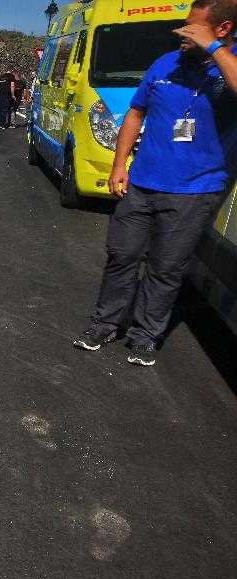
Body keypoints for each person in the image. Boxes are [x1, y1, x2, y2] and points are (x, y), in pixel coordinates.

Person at [72, 0, 236, 366]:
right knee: (121, 255)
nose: (181, 32)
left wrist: (213, 48)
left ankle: (144, 335)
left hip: (194, 190)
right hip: (143, 182)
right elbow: (135, 112)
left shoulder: (229, 64)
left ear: (223, 29)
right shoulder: (165, 63)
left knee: (166, 267)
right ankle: (104, 324)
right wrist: (119, 164)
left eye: (192, 27)